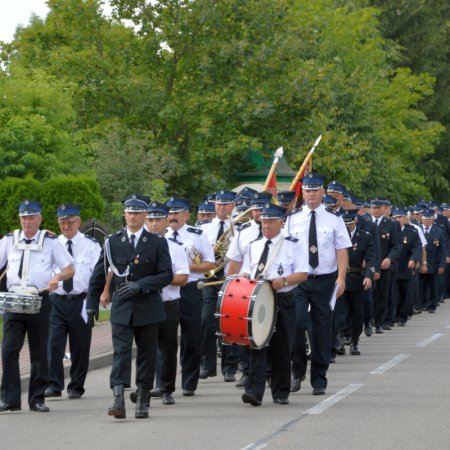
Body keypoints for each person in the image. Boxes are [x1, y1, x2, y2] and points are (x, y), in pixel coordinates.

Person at [86, 194, 173, 420]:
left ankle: (143, 399)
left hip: (148, 307)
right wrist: (91, 303)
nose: (132, 216)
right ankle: (117, 399)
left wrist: (140, 286)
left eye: (137, 212)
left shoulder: (157, 242)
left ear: (145, 215)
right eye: (129, 212)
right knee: (121, 353)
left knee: (146, 355)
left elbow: (166, 275)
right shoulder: (113, 242)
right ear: (124, 214)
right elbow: (99, 273)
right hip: (122, 308)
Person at [0, 200, 75, 412]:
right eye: (24, 217)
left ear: (40, 219)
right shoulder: (9, 240)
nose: (27, 222)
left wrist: (57, 278)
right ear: (20, 219)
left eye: (32, 217)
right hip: (14, 301)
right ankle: (10, 399)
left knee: (40, 352)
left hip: (40, 300)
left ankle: (37, 398)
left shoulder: (50, 241)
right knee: (8, 350)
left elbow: (70, 268)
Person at [285, 173, 351, 395]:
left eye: (315, 190)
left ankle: (319, 378)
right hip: (299, 281)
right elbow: (284, 250)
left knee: (322, 330)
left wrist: (341, 278)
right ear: (302, 193)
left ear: (322, 193)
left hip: (325, 280)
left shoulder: (334, 219)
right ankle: (297, 371)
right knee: (296, 325)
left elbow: (342, 249)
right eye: (307, 190)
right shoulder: (292, 218)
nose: (311, 194)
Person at [240, 202, 308, 406]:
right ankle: (254, 391)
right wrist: (242, 277)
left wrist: (285, 281)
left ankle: (280, 391)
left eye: (270, 222)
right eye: (263, 222)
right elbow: (246, 270)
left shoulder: (292, 245)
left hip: (282, 299)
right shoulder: (254, 246)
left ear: (281, 222)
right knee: (257, 343)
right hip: (258, 298)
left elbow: (303, 273)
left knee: (282, 346)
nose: (266, 226)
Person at [45, 204, 101, 399]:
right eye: (62, 223)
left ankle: (76, 386)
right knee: (53, 344)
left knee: (80, 346)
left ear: (78, 222)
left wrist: (95, 301)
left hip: (81, 301)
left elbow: (97, 276)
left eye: (69, 222)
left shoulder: (91, 245)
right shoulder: (52, 244)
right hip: (57, 301)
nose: (66, 226)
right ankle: (54, 385)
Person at [165, 196, 215, 395]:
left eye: (177, 213)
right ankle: (163, 382)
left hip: (190, 288)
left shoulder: (198, 234)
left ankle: (189, 382)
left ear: (187, 215)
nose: (173, 217)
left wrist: (184, 267)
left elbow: (209, 264)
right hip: (168, 289)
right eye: (170, 213)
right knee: (165, 336)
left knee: (191, 337)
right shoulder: (160, 234)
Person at [144, 201, 189, 405]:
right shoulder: (140, 246)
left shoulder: (176, 248)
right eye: (151, 220)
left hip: (168, 302)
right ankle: (148, 386)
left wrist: (160, 278)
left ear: (166, 222)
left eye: (158, 220)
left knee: (168, 347)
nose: (154, 224)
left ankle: (167, 388)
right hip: (146, 302)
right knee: (147, 347)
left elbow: (182, 278)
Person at [226, 191, 272, 388]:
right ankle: (246, 371)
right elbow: (235, 260)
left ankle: (270, 371)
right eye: (255, 209)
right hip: (247, 286)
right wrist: (229, 283)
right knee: (245, 329)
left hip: (271, 285)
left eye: (262, 209)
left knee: (269, 331)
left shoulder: (281, 230)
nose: (258, 213)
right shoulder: (243, 230)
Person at [197, 189, 240, 382]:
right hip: (209, 279)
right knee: (206, 321)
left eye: (225, 204)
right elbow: (194, 253)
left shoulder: (240, 227)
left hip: (231, 280)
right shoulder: (203, 227)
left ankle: (229, 367)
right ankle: (208, 365)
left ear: (232, 206)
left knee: (229, 323)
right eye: (218, 203)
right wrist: (209, 251)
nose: (221, 207)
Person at [334, 209, 376, 357]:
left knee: (357, 312)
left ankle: (354, 341)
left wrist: (369, 275)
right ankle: (339, 339)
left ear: (355, 221)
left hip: (357, 278)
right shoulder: (337, 235)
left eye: (350, 223)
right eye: (344, 224)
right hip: (340, 278)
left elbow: (371, 258)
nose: (347, 226)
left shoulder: (364, 237)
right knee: (339, 311)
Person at [369, 198, 400, 333]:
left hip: (384, 265)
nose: (375, 211)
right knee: (368, 296)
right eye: (373, 208)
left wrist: (389, 258)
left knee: (382, 294)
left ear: (383, 209)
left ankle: (379, 322)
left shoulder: (391, 224)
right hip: (368, 265)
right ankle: (367, 320)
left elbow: (396, 246)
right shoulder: (365, 222)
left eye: (378, 208)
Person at [391, 208, 422, 325]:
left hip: (405, 267)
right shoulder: (390, 231)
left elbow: (417, 248)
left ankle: (403, 317)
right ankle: (393, 316)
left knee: (405, 294)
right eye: (395, 218)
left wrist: (413, 259)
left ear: (405, 218)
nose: (398, 220)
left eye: (400, 217)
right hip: (392, 267)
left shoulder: (412, 232)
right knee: (393, 294)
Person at [419, 209, 447, 313]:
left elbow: (443, 249)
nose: (426, 222)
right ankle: (421, 304)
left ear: (432, 220)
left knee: (432, 285)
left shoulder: (438, 230)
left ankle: (432, 305)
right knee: (421, 285)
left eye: (429, 220)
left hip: (434, 262)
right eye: (425, 220)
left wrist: (442, 264)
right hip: (421, 262)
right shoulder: (418, 229)